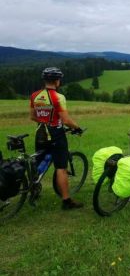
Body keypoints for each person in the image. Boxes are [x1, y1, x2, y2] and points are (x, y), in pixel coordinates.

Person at [30, 67, 84, 210]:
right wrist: (77, 128)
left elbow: (32, 116)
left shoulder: (35, 95)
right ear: (56, 81)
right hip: (56, 135)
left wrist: (44, 120)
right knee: (61, 167)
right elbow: (66, 120)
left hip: (40, 133)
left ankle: (32, 189)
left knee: (38, 163)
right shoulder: (58, 97)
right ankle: (66, 201)